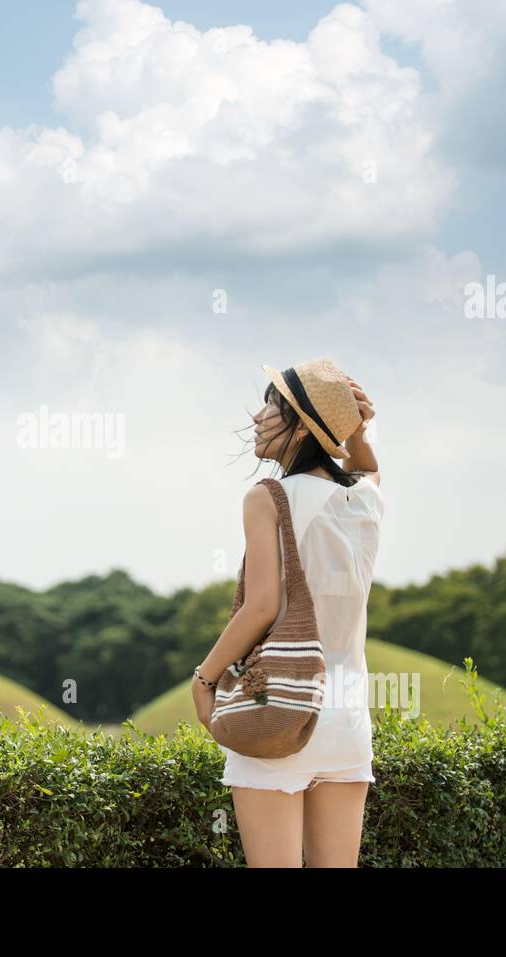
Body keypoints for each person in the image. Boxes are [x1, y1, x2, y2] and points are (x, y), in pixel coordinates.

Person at [190, 358, 382, 867]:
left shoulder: (266, 497)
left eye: (272, 405)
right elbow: (368, 470)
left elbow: (262, 607)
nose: (257, 416)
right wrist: (356, 432)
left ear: (301, 424)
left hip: (280, 707)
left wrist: (205, 677)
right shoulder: (365, 503)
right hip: (345, 723)